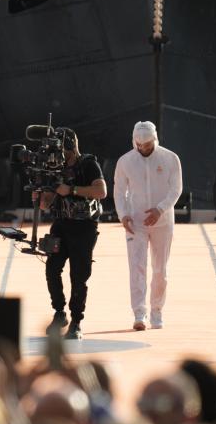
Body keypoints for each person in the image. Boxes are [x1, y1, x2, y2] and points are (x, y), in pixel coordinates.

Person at [36, 128, 107, 340]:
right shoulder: (53, 168)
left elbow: (101, 191)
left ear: (69, 147)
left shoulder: (88, 164)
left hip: (84, 227)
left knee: (79, 276)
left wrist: (72, 190)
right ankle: (59, 312)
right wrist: (41, 193)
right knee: (52, 268)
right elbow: (44, 205)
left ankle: (76, 321)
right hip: (61, 224)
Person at [113, 121, 182, 331]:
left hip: (163, 222)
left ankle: (157, 311)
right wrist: (123, 215)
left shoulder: (170, 158)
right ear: (134, 141)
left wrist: (160, 209)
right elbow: (119, 191)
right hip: (136, 223)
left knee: (160, 269)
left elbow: (176, 189)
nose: (144, 148)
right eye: (140, 145)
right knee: (137, 267)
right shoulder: (125, 161)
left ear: (155, 140)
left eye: (148, 144)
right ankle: (139, 313)